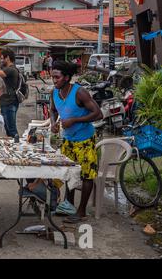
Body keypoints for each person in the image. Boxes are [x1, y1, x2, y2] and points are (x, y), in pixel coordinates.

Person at [50, 61, 103, 223]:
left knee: (87, 176)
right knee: (68, 173)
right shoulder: (55, 92)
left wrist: (74, 120)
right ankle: (69, 205)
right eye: (52, 77)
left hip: (85, 140)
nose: (54, 80)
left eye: (57, 77)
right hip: (68, 140)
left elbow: (98, 114)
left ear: (66, 78)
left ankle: (81, 212)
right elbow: (53, 110)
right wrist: (53, 123)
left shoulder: (80, 92)